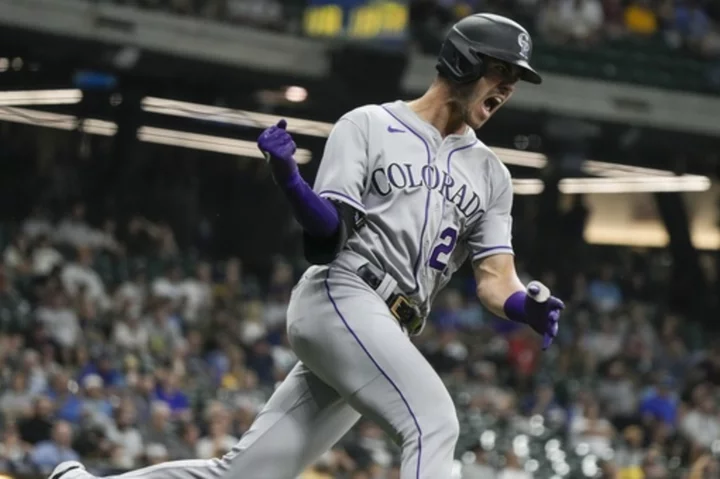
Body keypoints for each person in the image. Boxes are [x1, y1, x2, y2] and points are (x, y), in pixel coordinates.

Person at [50, 13, 564, 479]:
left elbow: (496, 278)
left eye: (515, 79)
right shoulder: (370, 124)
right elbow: (327, 236)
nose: (508, 87)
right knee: (433, 422)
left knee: (244, 475)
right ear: (463, 61)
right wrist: (293, 182)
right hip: (344, 294)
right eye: (501, 71)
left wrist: (524, 306)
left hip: (390, 327)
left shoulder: (491, 174)